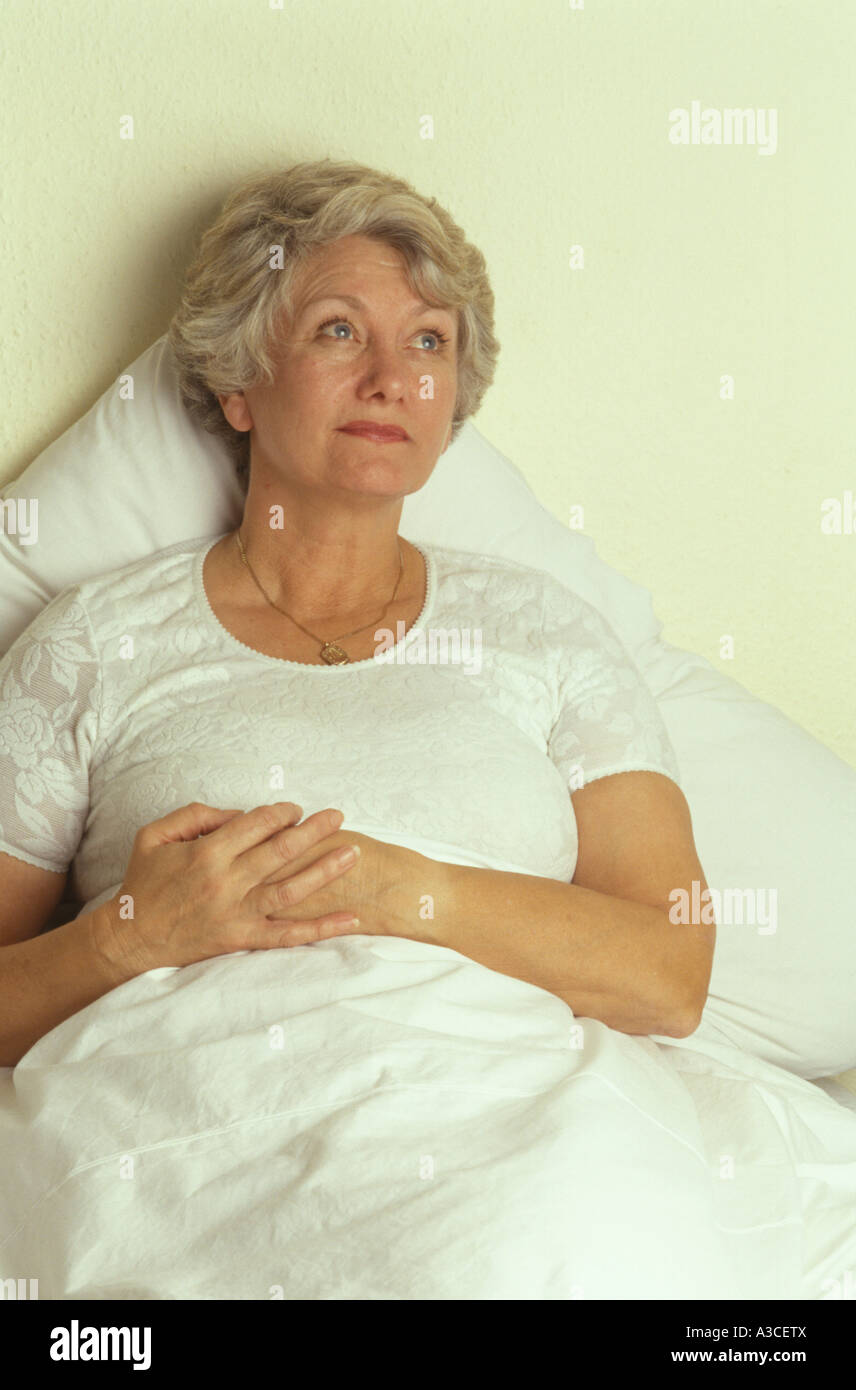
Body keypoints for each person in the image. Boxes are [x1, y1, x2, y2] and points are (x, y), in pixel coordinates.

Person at [0, 158, 714, 1070]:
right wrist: (130, 939)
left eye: (428, 344)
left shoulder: (549, 632)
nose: (392, 379)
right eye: (340, 331)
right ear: (237, 383)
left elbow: (671, 975)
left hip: (510, 1126)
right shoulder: (91, 645)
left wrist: (404, 893)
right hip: (191, 1141)